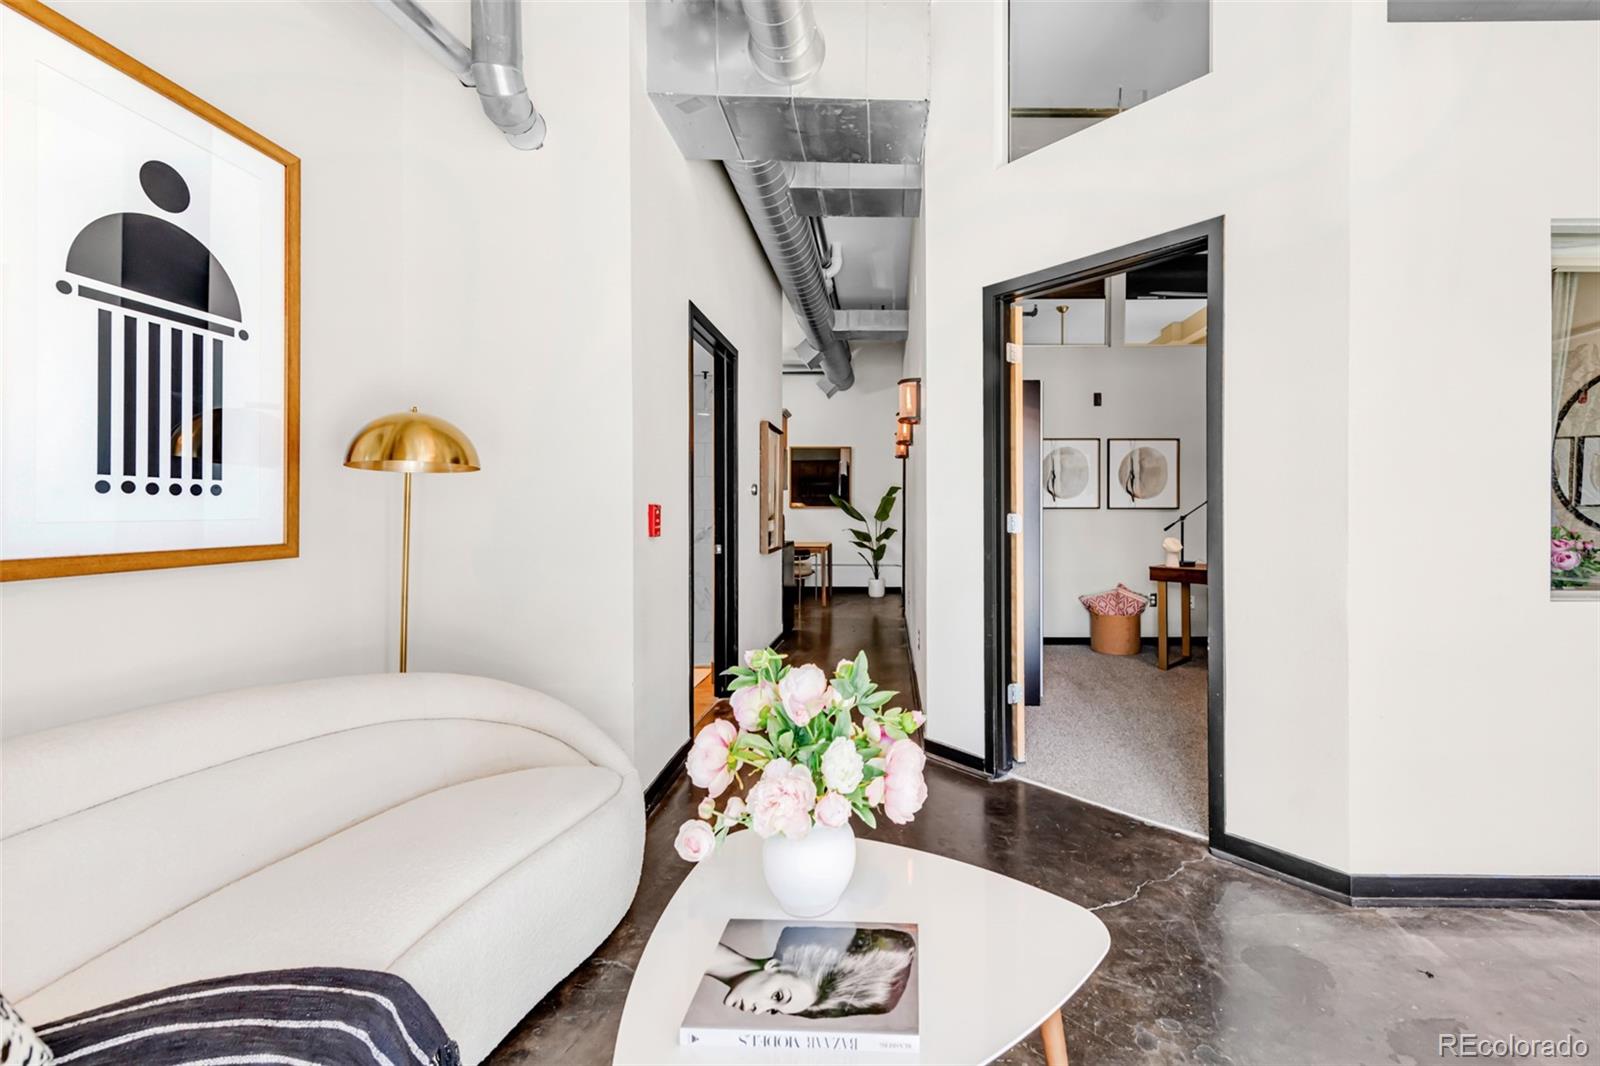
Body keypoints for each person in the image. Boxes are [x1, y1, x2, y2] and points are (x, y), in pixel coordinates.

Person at [705, 925, 915, 1018]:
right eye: (778, 997)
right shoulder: (688, 947)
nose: (759, 1011)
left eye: (772, 1010)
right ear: (775, 966)